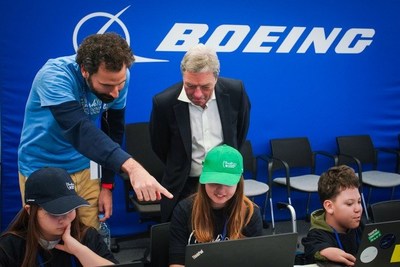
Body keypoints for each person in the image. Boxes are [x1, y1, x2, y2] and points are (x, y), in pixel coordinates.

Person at [18, 32, 172, 228]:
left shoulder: (117, 76)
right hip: (42, 167)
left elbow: (113, 130)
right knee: (48, 240)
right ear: (84, 71)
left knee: (89, 236)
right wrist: (133, 168)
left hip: (84, 167)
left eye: (121, 84)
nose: (116, 92)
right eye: (107, 85)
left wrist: (107, 186)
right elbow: (79, 130)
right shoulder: (54, 76)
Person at [149, 43, 251, 221]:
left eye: (205, 87)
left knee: (229, 238)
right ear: (183, 76)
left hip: (225, 181)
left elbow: (240, 132)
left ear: (216, 79)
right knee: (183, 240)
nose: (197, 94)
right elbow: (159, 145)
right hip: (184, 184)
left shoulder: (235, 92)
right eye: (190, 86)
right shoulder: (164, 102)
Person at [0, 167, 118, 267]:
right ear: (30, 211)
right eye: (54, 212)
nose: (64, 219)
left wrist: (79, 251)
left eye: (70, 209)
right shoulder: (10, 246)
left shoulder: (87, 236)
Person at [168, 145, 263, 267]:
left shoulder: (250, 213)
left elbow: (256, 260)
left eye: (228, 183)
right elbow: (177, 262)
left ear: (238, 183)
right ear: (204, 180)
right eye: (214, 182)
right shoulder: (184, 210)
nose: (221, 190)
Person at [301, 165, 364, 266]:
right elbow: (312, 247)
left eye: (359, 202)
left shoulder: (359, 226)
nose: (358, 209)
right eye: (349, 204)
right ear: (329, 206)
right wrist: (324, 251)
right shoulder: (317, 235)